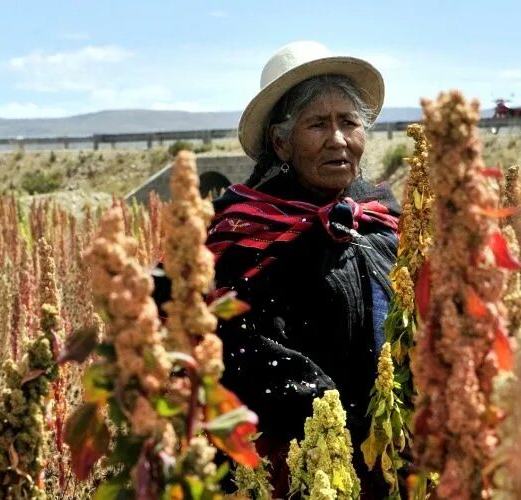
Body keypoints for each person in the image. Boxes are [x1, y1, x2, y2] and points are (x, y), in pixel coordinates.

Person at [154, 41, 399, 496]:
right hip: (292, 459)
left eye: (349, 122)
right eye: (317, 124)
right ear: (281, 141)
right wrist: (326, 412)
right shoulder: (244, 229)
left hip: (391, 451)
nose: (338, 139)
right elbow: (221, 335)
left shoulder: (382, 219)